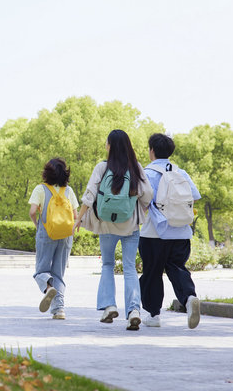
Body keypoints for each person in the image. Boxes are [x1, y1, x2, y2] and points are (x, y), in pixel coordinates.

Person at [74, 130, 153, 331]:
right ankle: (134, 311)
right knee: (129, 268)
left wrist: (79, 218)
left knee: (108, 265)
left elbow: (89, 194)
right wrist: (138, 208)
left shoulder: (102, 167)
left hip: (106, 224)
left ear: (110, 146)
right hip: (130, 226)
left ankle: (109, 306)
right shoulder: (135, 168)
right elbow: (148, 194)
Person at [138, 133, 202, 329]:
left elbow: (142, 199)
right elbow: (195, 196)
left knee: (152, 273)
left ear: (152, 151)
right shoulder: (180, 172)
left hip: (154, 232)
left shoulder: (147, 173)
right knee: (177, 268)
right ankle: (189, 297)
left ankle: (154, 315)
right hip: (181, 232)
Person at [28, 158, 79, 320]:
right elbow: (76, 216)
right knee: (59, 273)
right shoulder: (68, 191)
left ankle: (48, 287)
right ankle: (59, 310)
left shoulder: (40, 189)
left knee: (41, 271)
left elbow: (32, 211)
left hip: (46, 233)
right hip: (66, 235)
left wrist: (38, 225)